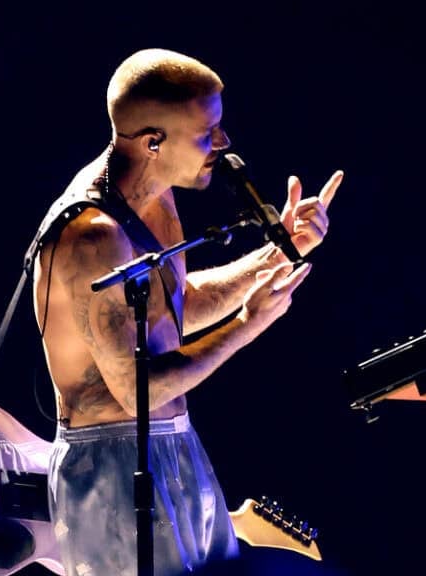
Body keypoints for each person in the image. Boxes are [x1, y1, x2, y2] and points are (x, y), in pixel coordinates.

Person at [32, 48, 343, 576]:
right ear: (154, 143)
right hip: (112, 467)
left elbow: (172, 309)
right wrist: (245, 326)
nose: (222, 144)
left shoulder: (154, 195)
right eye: (208, 132)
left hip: (174, 448)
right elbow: (135, 390)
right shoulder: (92, 235)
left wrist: (279, 251)